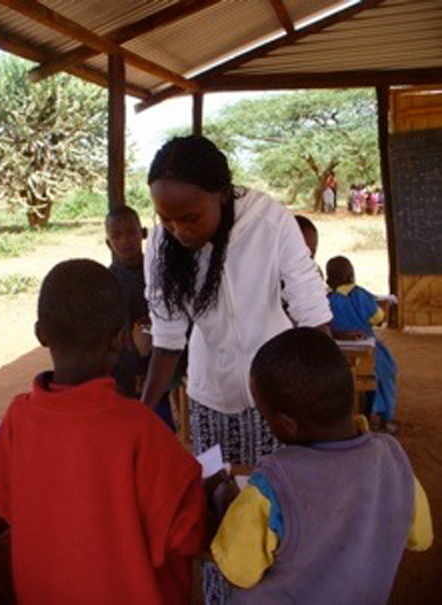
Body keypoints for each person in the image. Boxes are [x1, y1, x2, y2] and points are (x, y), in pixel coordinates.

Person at [142, 135, 332, 602]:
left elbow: (311, 310)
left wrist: (329, 406)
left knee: (275, 518)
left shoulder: (270, 221)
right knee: (219, 522)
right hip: (209, 399)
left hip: (276, 401)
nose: (179, 229)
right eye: (167, 218)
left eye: (190, 217)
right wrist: (142, 413)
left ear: (222, 194)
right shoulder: (165, 240)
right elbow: (168, 337)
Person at [0, 259, 207, 605]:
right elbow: (187, 532)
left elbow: (8, 505)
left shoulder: (16, 420)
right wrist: (210, 491)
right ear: (120, 340)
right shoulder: (140, 429)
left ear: (40, 334)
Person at [211, 328, 433, 604]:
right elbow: (420, 537)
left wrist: (225, 504)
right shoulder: (394, 461)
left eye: (264, 414)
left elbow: (237, 570)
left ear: (286, 425)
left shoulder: (273, 485)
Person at [106, 205, 174, 429]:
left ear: (143, 233)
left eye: (131, 232)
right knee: (126, 425)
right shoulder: (107, 282)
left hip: (159, 361)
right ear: (109, 243)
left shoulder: (161, 272)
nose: (125, 240)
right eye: (116, 236)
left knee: (160, 425)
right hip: (123, 369)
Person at [326, 255, 397, 431]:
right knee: (386, 372)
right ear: (351, 277)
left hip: (336, 350)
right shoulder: (360, 295)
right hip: (366, 347)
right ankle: (384, 420)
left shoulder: (327, 299)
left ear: (328, 280)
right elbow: (377, 318)